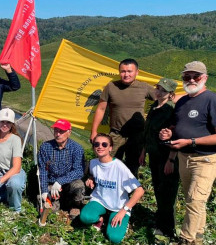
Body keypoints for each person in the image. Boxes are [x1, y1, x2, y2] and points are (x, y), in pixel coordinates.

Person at [159, 61, 216, 245]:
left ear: (204, 78)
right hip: (184, 158)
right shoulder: (182, 101)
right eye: (187, 76)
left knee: (194, 200)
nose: (191, 80)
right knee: (195, 202)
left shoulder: (211, 99)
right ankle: (197, 238)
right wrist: (169, 133)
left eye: (196, 76)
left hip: (205, 159)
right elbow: (177, 127)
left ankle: (185, 239)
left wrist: (191, 141)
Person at [90, 58, 155, 177]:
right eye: (123, 71)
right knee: (108, 165)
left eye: (129, 71)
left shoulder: (144, 87)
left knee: (132, 168)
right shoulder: (111, 87)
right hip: (116, 134)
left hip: (137, 135)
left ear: (137, 72)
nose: (126, 74)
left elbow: (163, 98)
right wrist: (94, 131)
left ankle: (130, 194)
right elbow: (101, 109)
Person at [80, 133, 145, 244]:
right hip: (99, 200)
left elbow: (140, 191)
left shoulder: (119, 167)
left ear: (110, 148)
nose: (100, 147)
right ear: (93, 147)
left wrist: (124, 211)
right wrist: (91, 178)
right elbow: (93, 173)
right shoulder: (93, 163)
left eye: (104, 144)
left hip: (118, 206)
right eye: (97, 144)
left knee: (114, 238)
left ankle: (118, 219)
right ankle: (100, 219)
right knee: (85, 217)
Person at [139, 78, 179, 238]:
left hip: (166, 156)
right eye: (158, 88)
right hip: (154, 155)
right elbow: (147, 132)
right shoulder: (155, 106)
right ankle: (160, 219)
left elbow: (176, 136)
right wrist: (143, 151)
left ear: (170, 94)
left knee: (168, 193)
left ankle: (168, 229)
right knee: (158, 188)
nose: (158, 91)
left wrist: (171, 160)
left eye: (163, 90)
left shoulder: (172, 110)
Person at [38, 119, 85, 219]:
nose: (58, 134)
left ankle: (75, 206)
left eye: (61, 131)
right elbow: (42, 171)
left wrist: (60, 181)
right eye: (56, 130)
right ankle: (56, 203)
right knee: (49, 210)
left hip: (69, 183)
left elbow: (78, 171)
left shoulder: (77, 148)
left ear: (69, 132)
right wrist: (44, 190)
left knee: (79, 186)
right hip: (52, 184)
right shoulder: (45, 147)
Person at [0, 108, 26, 212]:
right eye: (2, 121)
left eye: (8, 122)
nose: (5, 125)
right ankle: (5, 194)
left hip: (13, 172)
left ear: (12, 124)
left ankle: (15, 209)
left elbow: (16, 168)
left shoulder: (15, 139)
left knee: (14, 184)